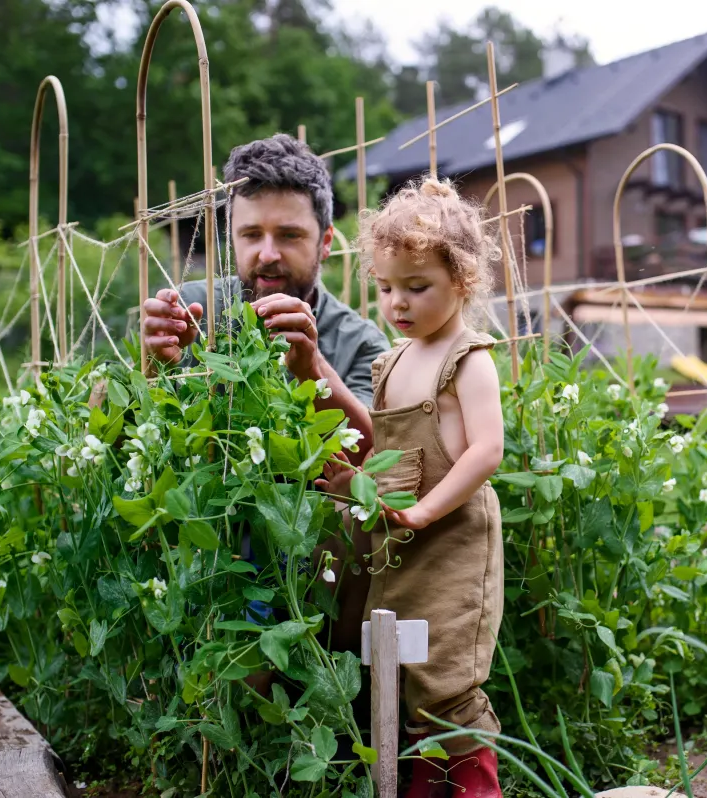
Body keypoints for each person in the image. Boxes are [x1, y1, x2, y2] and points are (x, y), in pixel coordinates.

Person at [320, 175, 506, 797]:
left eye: (416, 287)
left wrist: (426, 509)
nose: (397, 303)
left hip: (452, 541)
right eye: (386, 288)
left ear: (462, 280)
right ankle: (422, 784)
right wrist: (354, 480)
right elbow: (389, 447)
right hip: (398, 541)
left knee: (445, 672)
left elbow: (486, 450)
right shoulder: (395, 359)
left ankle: (476, 786)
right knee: (397, 665)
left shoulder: (467, 359)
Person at [139, 133, 390, 464]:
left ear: (325, 241)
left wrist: (312, 371)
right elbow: (113, 440)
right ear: (232, 237)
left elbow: (367, 457)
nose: (268, 254)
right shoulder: (189, 311)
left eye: (289, 235)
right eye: (252, 235)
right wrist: (152, 366)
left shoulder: (361, 344)